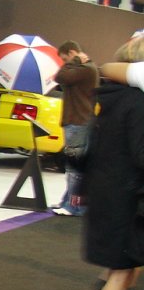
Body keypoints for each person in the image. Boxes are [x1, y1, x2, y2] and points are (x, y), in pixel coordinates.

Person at [73, 35, 144, 290]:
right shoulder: (139, 102)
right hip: (128, 199)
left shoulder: (108, 99)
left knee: (114, 271)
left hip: (104, 194)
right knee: (122, 271)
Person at [52, 40, 99, 216]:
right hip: (78, 122)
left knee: (74, 168)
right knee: (74, 167)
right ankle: (68, 202)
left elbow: (60, 77)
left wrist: (75, 60)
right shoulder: (85, 70)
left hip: (78, 123)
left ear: (72, 53)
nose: (65, 64)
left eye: (65, 59)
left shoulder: (85, 69)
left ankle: (73, 206)